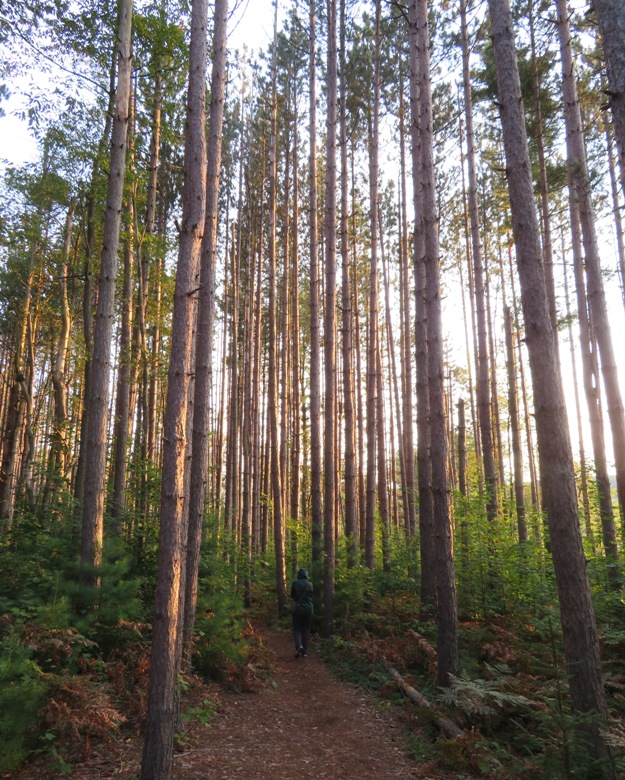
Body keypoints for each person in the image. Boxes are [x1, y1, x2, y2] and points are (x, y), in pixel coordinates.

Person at [290, 567, 313, 658]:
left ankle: (299, 645)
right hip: (308, 610)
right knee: (306, 629)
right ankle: (305, 652)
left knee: (297, 628)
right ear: (306, 575)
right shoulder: (310, 584)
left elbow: (292, 595)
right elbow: (311, 594)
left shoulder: (295, 583)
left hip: (298, 610)